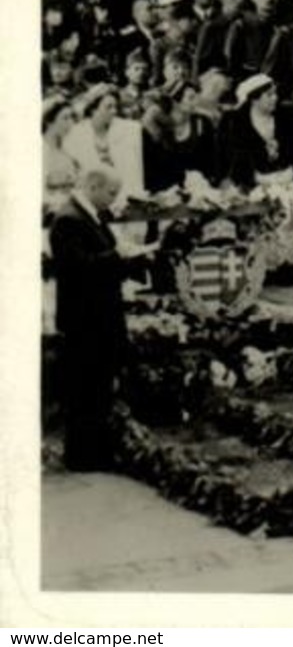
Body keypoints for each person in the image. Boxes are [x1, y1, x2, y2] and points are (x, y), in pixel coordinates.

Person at [49, 167, 156, 471]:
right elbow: (80, 270)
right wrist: (119, 256)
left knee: (98, 386)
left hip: (99, 315)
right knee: (85, 388)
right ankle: (83, 457)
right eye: (110, 193)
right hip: (85, 319)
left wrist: (133, 257)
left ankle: (96, 451)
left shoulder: (89, 215)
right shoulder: (68, 219)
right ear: (93, 186)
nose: (113, 200)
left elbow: (106, 259)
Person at [220, 74, 293, 284]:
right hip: (254, 182)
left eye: (275, 94)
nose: (274, 98)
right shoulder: (238, 122)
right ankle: (275, 262)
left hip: (286, 176)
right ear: (254, 99)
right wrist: (258, 179)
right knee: (278, 200)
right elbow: (235, 161)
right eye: (268, 95)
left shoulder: (287, 118)